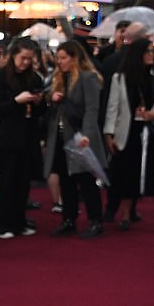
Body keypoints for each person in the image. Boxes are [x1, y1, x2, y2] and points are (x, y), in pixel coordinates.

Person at [44, 40, 106, 238]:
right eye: (58, 58)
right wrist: (51, 97)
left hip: (80, 137)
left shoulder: (88, 78)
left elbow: (92, 109)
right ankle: (69, 219)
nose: (59, 62)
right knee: (66, 180)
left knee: (86, 181)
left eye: (63, 58)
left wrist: (86, 135)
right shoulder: (60, 77)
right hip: (61, 137)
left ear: (74, 58)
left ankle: (96, 221)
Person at [0, 38, 44, 238]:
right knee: (4, 183)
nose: (26, 63)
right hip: (5, 138)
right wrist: (16, 101)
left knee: (22, 183)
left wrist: (38, 101)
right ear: (14, 56)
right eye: (23, 58)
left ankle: (19, 222)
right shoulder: (1, 76)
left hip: (27, 138)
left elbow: (40, 112)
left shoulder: (34, 78)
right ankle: (0, 225)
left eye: (29, 59)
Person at [103, 37, 154, 229]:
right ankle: (118, 210)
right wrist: (108, 133)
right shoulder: (121, 78)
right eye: (148, 51)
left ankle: (128, 212)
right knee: (122, 172)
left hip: (147, 132)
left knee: (140, 173)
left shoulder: (151, 77)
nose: (152, 55)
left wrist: (151, 114)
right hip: (126, 132)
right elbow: (112, 107)